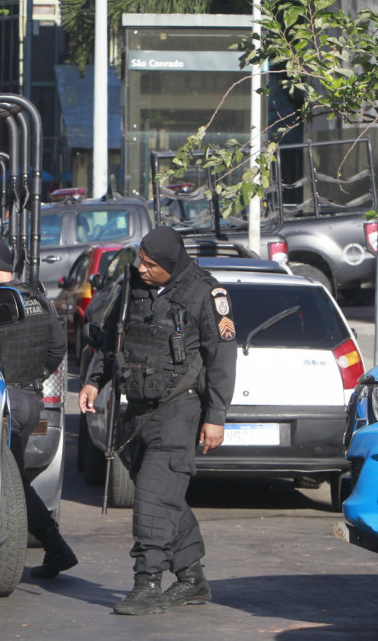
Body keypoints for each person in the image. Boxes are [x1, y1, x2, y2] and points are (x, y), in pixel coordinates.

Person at [77, 224, 237, 615]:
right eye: (141, 261)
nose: (142, 269)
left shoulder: (205, 294)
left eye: (150, 264)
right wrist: (95, 381)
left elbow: (222, 361)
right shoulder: (133, 288)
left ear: (170, 263)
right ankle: (192, 578)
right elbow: (112, 339)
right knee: (164, 497)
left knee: (151, 498)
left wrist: (216, 417)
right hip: (136, 411)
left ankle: (146, 583)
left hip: (179, 411)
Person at [0, 237, 78, 579]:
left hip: (3, 404)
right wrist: (35, 375)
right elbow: (57, 348)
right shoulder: (38, 299)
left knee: (9, 483)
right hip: (30, 401)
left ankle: (54, 546)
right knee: (11, 479)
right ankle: (52, 547)